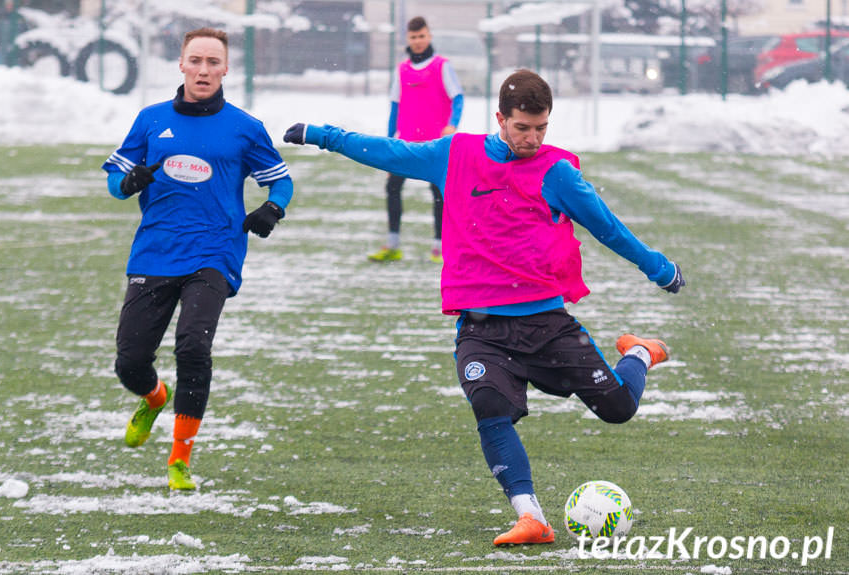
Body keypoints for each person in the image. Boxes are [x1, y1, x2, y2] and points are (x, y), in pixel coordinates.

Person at [282, 69, 685, 545]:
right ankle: (530, 515)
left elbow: (609, 228)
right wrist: (324, 136)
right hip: (482, 329)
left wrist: (658, 268)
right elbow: (391, 151)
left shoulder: (558, 174)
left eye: (541, 128)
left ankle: (638, 353)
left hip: (546, 324)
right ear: (500, 118)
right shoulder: (457, 155)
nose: (532, 139)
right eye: (522, 128)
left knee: (618, 409)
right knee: (490, 409)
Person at [102, 27, 293, 491]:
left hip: (215, 251)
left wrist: (272, 207)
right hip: (156, 250)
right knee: (129, 362)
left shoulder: (246, 127)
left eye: (213, 62)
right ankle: (153, 397)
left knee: (192, 345)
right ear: (182, 65)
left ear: (226, 68)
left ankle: (179, 459)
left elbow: (280, 180)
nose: (204, 70)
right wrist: (128, 184)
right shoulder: (150, 120)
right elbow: (114, 180)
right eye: (196, 61)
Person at [368, 16, 464, 264]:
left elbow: (458, 98)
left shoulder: (442, 66)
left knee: (439, 192)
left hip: (435, 145)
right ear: (407, 40)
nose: (418, 41)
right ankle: (393, 244)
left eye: (422, 36)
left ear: (429, 37)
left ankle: (439, 247)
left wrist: (452, 125)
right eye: (413, 37)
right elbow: (394, 107)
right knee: (392, 188)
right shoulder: (402, 70)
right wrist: (389, 144)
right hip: (406, 144)